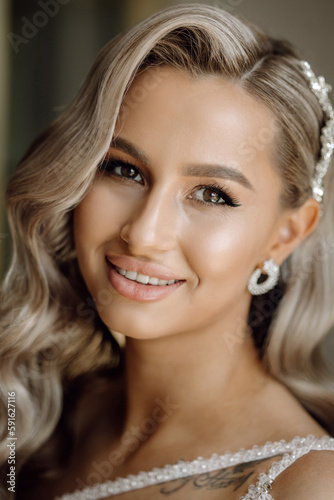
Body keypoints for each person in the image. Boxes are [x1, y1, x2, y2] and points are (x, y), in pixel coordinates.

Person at [1, 3, 334, 499]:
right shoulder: (43, 419)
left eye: (212, 195)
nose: (143, 234)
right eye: (124, 169)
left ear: (285, 235)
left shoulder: (305, 484)